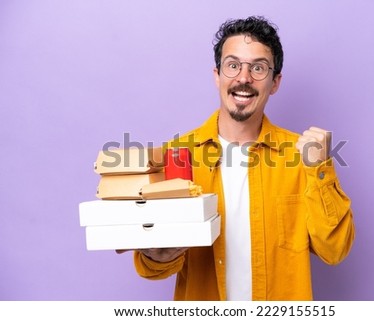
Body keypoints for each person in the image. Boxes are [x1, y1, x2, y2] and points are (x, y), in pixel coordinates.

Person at [132, 16, 355, 301]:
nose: (244, 78)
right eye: (233, 65)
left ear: (275, 83)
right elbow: (150, 267)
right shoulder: (177, 155)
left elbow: (334, 250)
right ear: (217, 76)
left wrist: (320, 168)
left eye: (258, 68)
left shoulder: (303, 157)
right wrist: (158, 256)